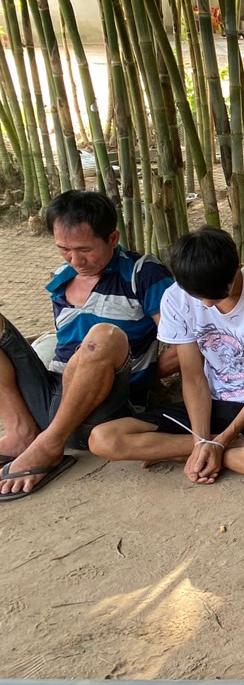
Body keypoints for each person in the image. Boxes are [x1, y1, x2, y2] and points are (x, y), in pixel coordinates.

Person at [89, 227, 244, 482]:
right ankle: (219, 449)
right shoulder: (175, 298)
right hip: (210, 403)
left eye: (217, 296)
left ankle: (189, 451)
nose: (207, 304)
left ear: (238, 268)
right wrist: (202, 440)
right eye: (198, 296)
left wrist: (223, 440)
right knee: (103, 439)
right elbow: (193, 376)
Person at [0, 190, 175, 500]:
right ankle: (22, 431)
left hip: (105, 407)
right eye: (64, 249)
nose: (75, 260)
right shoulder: (61, 279)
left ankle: (49, 445)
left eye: (84, 249)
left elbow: (184, 344)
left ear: (112, 238)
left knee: (103, 337)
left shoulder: (143, 274)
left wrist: (146, 374)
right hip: (52, 395)